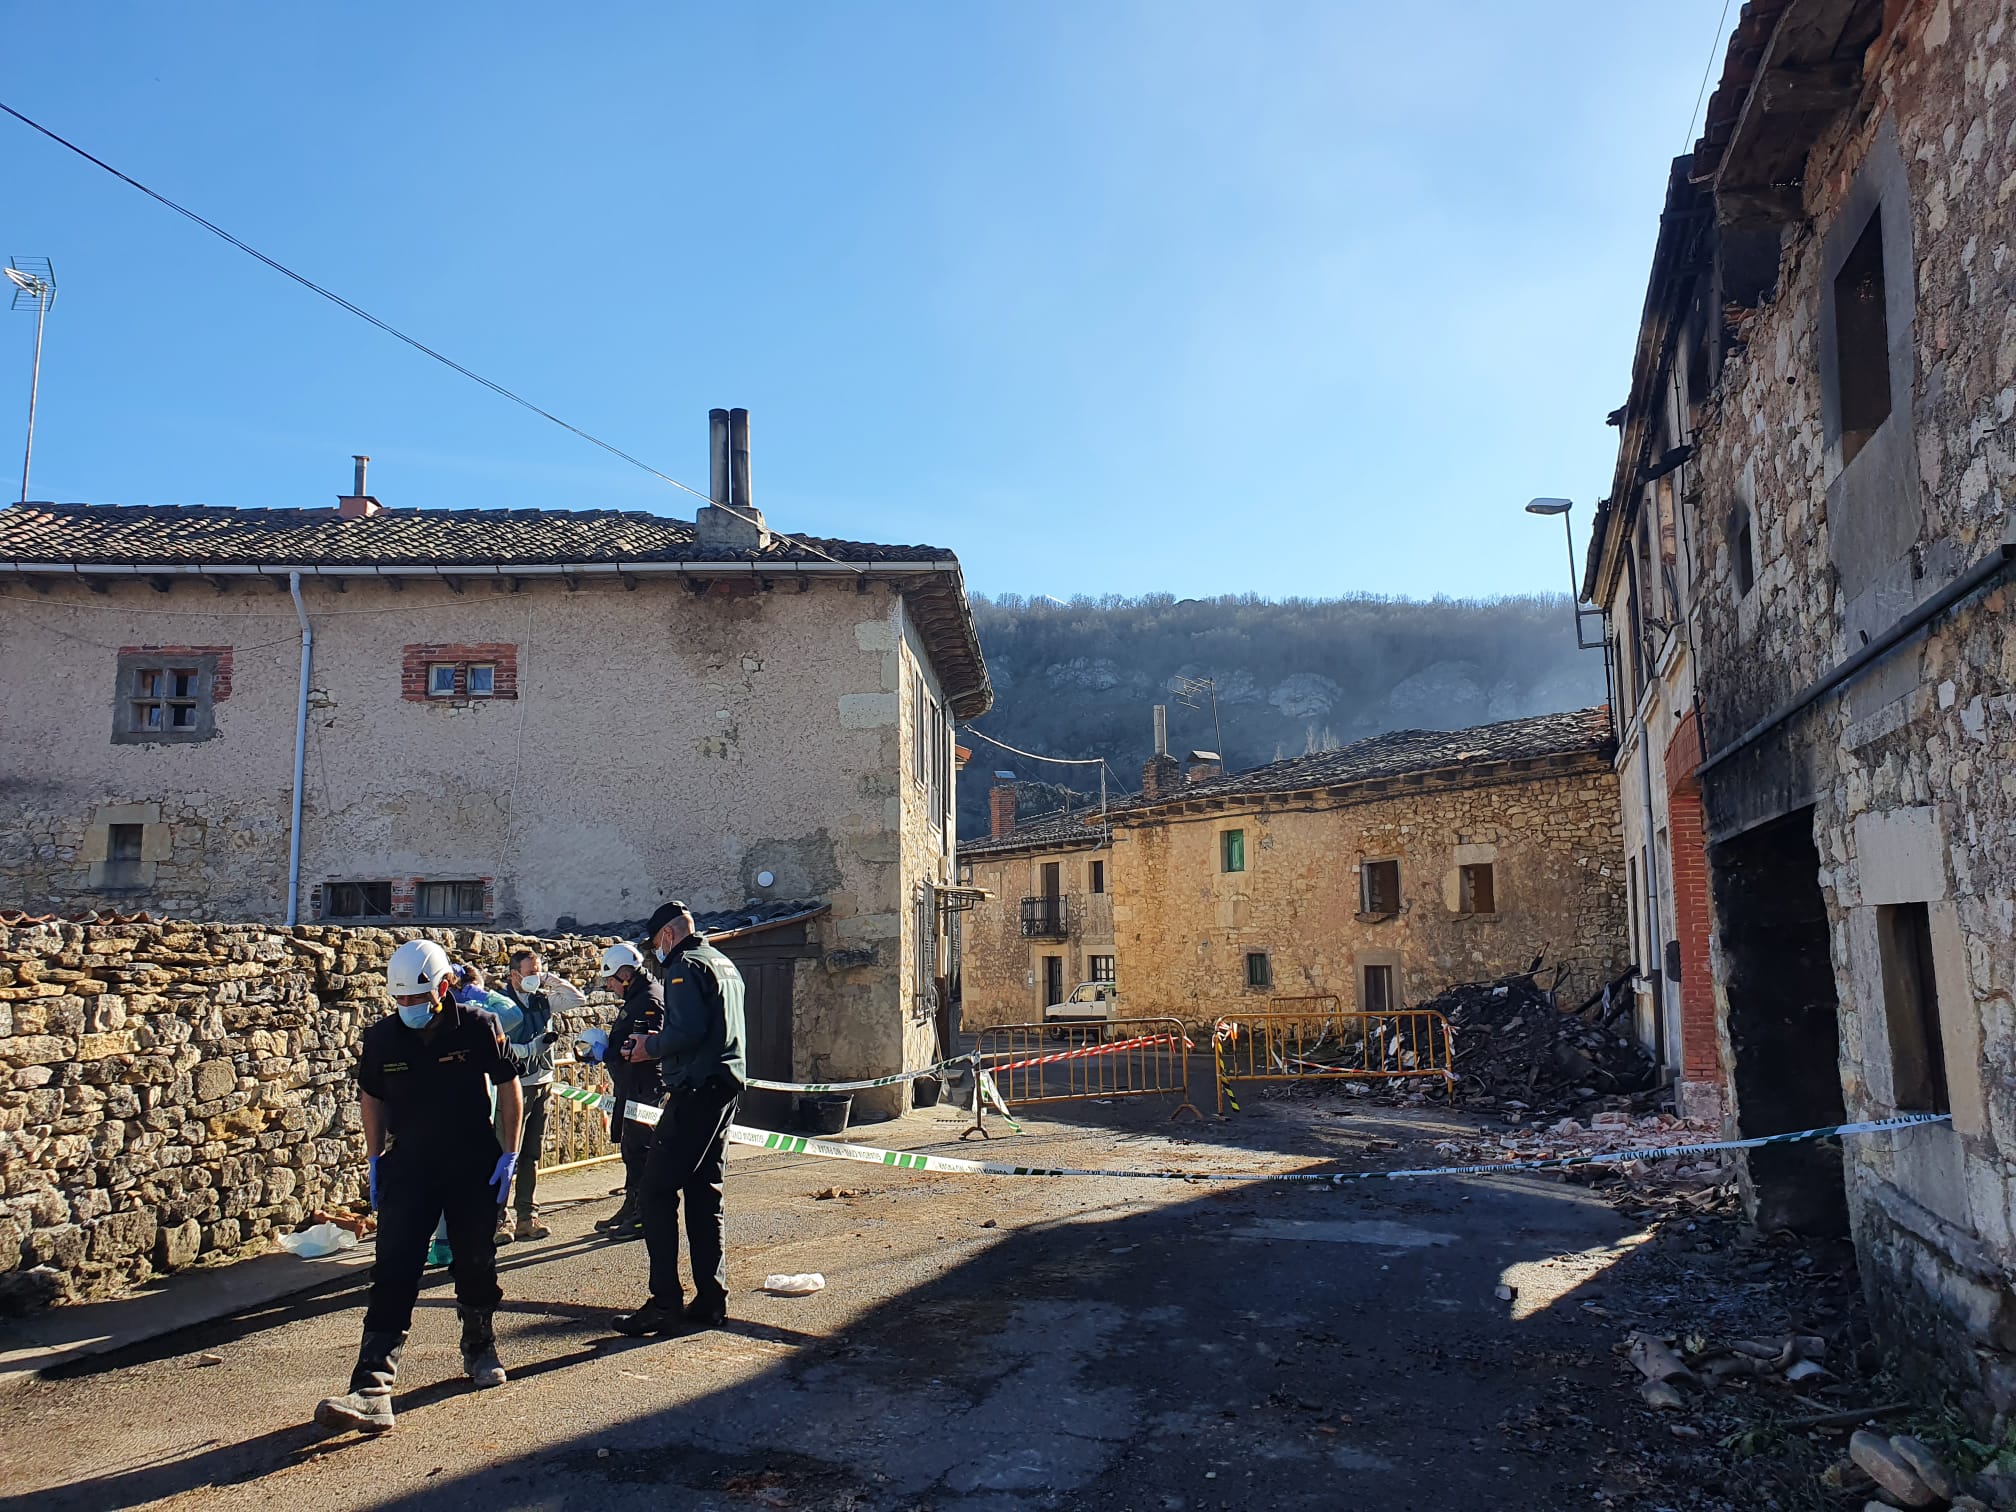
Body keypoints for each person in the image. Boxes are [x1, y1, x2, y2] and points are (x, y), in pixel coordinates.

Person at [314, 940, 522, 1434]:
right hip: (409, 1165)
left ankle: (479, 1346)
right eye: (400, 998)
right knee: (394, 1267)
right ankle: (372, 1385)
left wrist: (509, 1152)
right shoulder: (382, 1038)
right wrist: (374, 1157)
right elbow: (371, 1096)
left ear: (443, 987)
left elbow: (509, 1084)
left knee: (474, 1261)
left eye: (416, 997)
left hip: (472, 1163)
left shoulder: (479, 1026)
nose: (407, 1006)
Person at [612, 901, 746, 1336]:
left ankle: (665, 1301)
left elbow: (688, 1031)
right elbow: (706, 1027)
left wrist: (648, 1048)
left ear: (667, 935)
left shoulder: (684, 967)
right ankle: (711, 1298)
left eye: (656, 943)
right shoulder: (722, 961)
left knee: (655, 1192)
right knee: (704, 1192)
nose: (656, 952)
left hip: (696, 1090)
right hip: (724, 1086)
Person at [493, 948, 586, 1245]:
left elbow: (577, 999)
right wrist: (530, 1049)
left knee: (531, 1154)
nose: (535, 978)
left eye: (538, 971)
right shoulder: (501, 1005)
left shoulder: (541, 999)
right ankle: (497, 1217)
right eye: (530, 973)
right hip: (514, 1085)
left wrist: (548, 978)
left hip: (543, 1081)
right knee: (505, 1153)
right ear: (514, 975)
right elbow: (499, 1046)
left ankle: (527, 1216)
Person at [588, 941, 662, 1239]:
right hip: (632, 1086)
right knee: (632, 1150)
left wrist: (607, 1053)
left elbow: (642, 1048)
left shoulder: (648, 1000)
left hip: (644, 1087)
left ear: (626, 974)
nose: (609, 986)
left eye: (611, 979)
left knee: (644, 1151)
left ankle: (645, 1215)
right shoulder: (638, 997)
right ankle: (632, 1205)